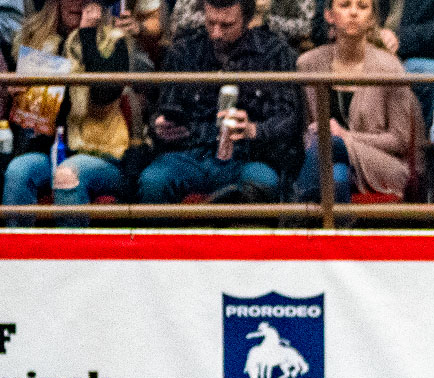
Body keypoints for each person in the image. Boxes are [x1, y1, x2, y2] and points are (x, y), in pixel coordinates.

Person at [139, 0, 301, 203]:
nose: (216, 33)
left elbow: (288, 120)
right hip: (190, 153)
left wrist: (253, 130)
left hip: (248, 155)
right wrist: (160, 126)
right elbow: (160, 110)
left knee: (262, 182)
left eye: (226, 25)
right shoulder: (185, 50)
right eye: (210, 23)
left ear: (247, 20)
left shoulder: (273, 53)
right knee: (153, 181)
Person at [4, 0, 139, 223]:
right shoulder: (37, 41)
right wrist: (19, 96)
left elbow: (103, 94)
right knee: (19, 170)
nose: (77, 3)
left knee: (67, 173)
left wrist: (87, 34)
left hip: (101, 154)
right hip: (48, 151)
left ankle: (71, 247)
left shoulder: (115, 40)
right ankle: (16, 245)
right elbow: (28, 121)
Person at [295, 0, 421, 200]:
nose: (353, 13)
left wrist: (345, 137)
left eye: (362, 7)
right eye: (345, 5)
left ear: (372, 19)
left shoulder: (390, 67)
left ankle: (298, 210)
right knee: (337, 174)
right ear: (329, 15)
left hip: (382, 162)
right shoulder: (308, 64)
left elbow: (400, 140)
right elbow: (303, 129)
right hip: (323, 159)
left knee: (331, 143)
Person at [170, 0, 323, 50]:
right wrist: (227, 22)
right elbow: (178, 22)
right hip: (207, 52)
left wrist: (265, 21)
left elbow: (307, 26)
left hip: (273, 54)